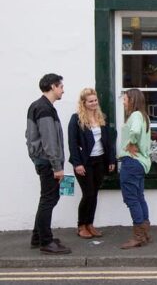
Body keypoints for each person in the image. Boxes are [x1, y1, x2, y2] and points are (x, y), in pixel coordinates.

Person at [25, 73, 71, 255]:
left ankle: (38, 237)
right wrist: (57, 167)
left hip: (43, 160)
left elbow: (29, 136)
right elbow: (49, 140)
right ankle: (46, 241)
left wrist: (36, 158)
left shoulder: (37, 105)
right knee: (49, 200)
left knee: (47, 198)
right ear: (53, 86)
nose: (63, 90)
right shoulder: (44, 108)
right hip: (48, 162)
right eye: (61, 86)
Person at [68, 88, 116, 239]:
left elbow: (108, 141)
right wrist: (77, 164)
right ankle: (81, 225)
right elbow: (72, 143)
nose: (94, 103)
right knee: (88, 194)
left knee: (94, 194)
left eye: (95, 100)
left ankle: (90, 224)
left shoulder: (101, 117)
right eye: (90, 101)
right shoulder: (76, 119)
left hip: (100, 161)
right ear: (83, 103)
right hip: (84, 163)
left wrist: (111, 159)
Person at [118, 89, 152, 249]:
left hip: (131, 163)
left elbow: (135, 131)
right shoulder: (143, 116)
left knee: (131, 199)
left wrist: (131, 142)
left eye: (125, 99)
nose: (124, 103)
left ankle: (139, 237)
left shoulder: (136, 115)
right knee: (139, 197)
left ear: (132, 100)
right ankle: (144, 234)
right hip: (140, 163)